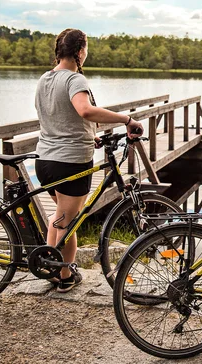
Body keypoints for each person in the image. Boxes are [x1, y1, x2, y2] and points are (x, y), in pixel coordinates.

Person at [35, 28, 144, 293]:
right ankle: (64, 277)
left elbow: (58, 116)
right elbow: (84, 109)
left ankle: (53, 268)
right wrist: (126, 119)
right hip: (70, 161)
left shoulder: (45, 79)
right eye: (87, 49)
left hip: (45, 160)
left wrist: (87, 136)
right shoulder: (74, 80)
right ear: (80, 51)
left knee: (59, 218)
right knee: (67, 222)